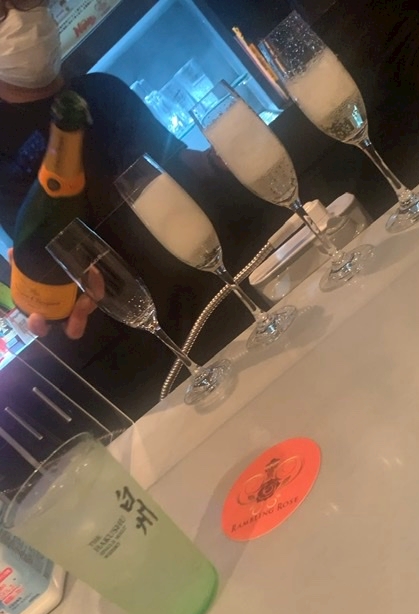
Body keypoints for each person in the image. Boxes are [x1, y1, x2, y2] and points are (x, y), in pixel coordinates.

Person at [0, 0, 286, 417]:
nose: (16, 19)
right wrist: (49, 302)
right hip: (155, 350)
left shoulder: (103, 90)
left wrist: (223, 155)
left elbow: (179, 163)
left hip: (227, 282)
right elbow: (44, 257)